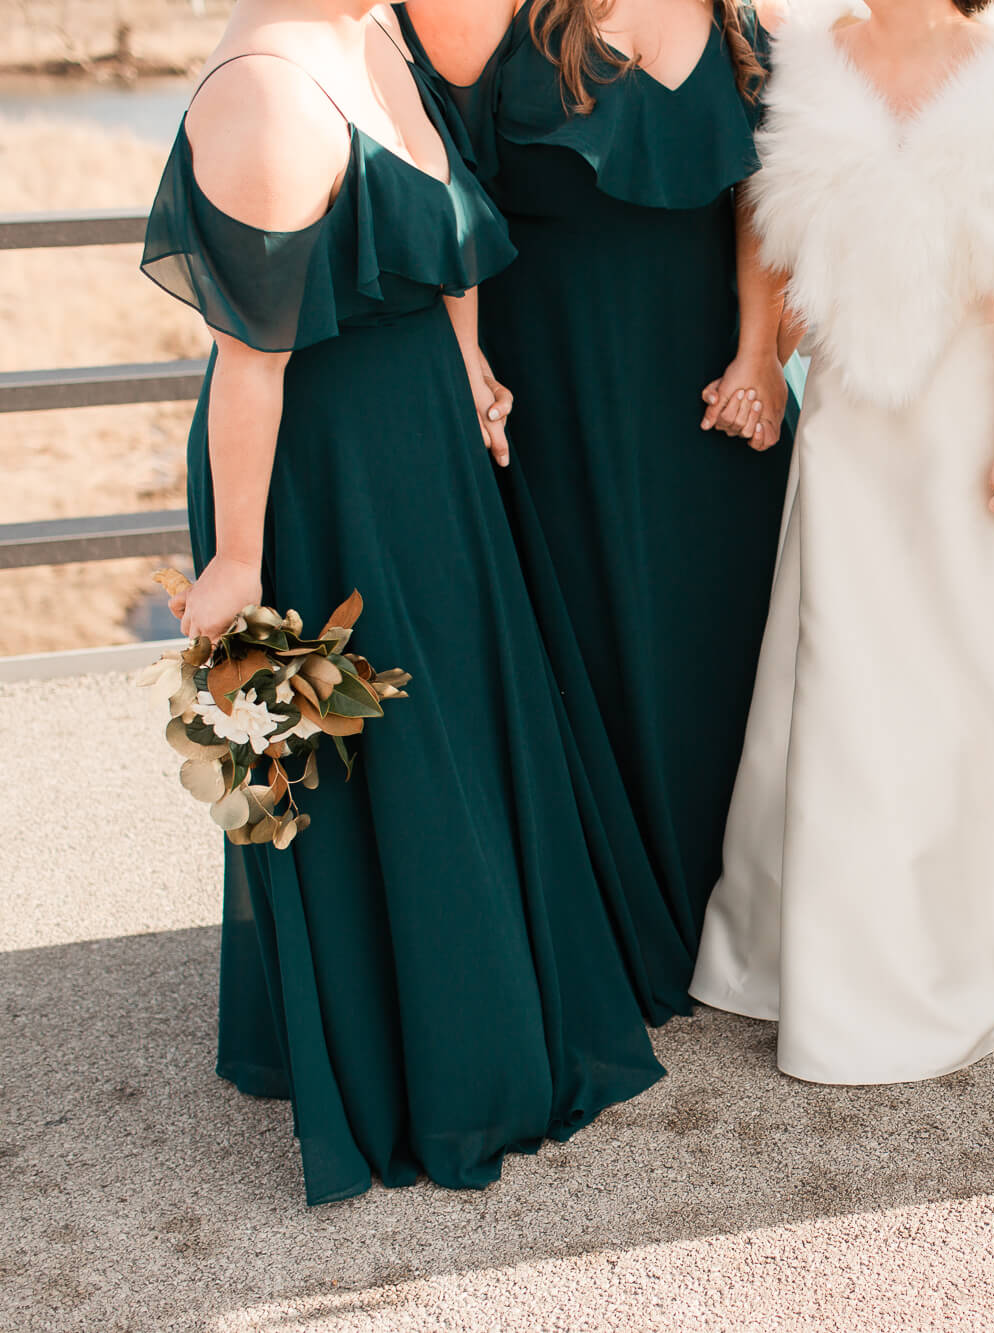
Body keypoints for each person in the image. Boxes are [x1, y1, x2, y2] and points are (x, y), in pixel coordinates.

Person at [142, 0, 663, 1203]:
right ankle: (417, 1066)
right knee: (389, 756)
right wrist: (235, 562)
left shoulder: (372, 34)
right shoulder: (266, 89)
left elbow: (443, 234)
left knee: (457, 739)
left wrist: (471, 366)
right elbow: (251, 365)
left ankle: (469, 1013)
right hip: (327, 476)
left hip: (424, 442)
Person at [689, 0, 994, 1084]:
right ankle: (842, 976)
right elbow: (766, 224)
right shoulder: (807, 59)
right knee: (846, 676)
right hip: (847, 420)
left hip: (970, 417)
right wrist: (755, 358)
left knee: (988, 674)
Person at [397, 0, 794, 1020]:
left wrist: (760, 353)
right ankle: (607, 931)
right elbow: (450, 189)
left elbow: (764, 199)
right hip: (551, 386)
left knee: (712, 643)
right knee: (579, 642)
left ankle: (722, 922)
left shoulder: (747, 25)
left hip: (705, 389)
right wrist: (468, 361)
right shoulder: (510, 22)